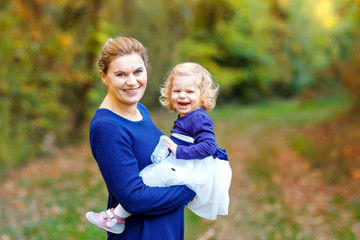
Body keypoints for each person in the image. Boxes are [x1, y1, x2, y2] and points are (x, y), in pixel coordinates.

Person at [86, 61, 232, 235]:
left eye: (189, 91)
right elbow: (133, 197)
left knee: (150, 177)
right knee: (148, 178)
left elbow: (209, 145)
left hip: (188, 165)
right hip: (145, 228)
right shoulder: (108, 126)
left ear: (203, 95)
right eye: (177, 91)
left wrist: (179, 152)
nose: (182, 96)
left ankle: (115, 217)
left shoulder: (198, 118)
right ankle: (115, 217)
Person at [85, 36, 196, 240]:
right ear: (104, 76)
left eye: (138, 71)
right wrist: (190, 189)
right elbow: (133, 198)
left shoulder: (141, 111)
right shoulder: (107, 127)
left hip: (165, 229)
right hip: (141, 233)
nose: (132, 82)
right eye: (121, 74)